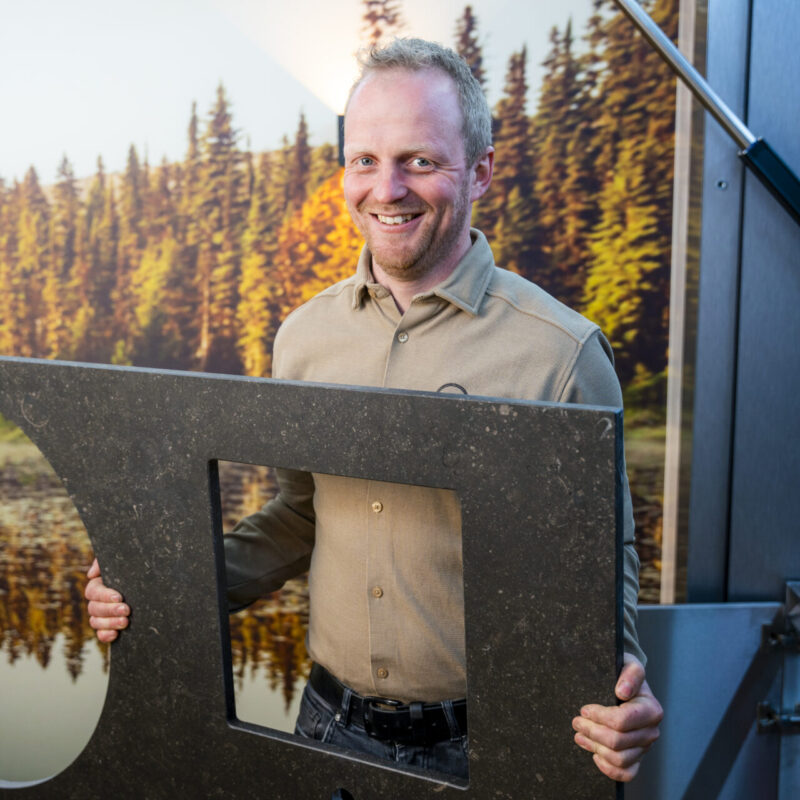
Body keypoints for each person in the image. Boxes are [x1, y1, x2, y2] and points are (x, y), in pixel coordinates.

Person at [85, 38, 662, 783]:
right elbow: (299, 515)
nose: (386, 189)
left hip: (489, 745)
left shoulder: (561, 354)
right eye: (365, 160)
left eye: (419, 160)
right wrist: (151, 587)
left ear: (481, 170)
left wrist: (622, 684)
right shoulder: (304, 337)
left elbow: (601, 561)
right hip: (325, 727)